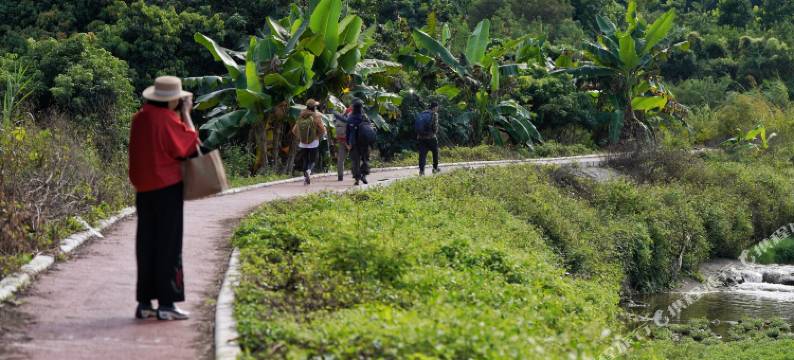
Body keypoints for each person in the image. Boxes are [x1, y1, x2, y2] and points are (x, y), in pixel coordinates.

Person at [128, 76, 198, 321]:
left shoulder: (139, 118)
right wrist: (186, 113)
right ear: (172, 100)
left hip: (143, 190)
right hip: (167, 188)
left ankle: (144, 303)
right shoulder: (167, 119)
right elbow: (190, 145)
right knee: (169, 245)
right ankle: (167, 304)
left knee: (146, 244)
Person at [292, 99, 326, 185]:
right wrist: (318, 135)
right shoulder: (316, 116)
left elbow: (294, 130)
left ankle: (305, 179)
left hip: (303, 143)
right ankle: (309, 171)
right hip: (314, 142)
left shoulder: (301, 115)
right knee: (312, 160)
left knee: (305, 160)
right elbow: (322, 130)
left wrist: (301, 137)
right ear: (314, 107)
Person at [346, 100, 375, 186]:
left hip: (354, 143)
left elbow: (347, 132)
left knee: (355, 161)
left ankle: (357, 179)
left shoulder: (350, 118)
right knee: (365, 159)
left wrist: (348, 142)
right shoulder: (365, 117)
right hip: (364, 143)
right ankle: (364, 175)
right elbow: (370, 129)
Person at [415, 101, 441, 176]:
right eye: (437, 107)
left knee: (422, 155)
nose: (437, 109)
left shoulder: (422, 113)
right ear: (435, 107)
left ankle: (421, 171)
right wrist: (435, 132)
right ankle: (435, 168)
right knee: (435, 152)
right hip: (431, 138)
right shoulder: (434, 114)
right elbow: (435, 127)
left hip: (421, 138)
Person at [332, 104, 352, 181]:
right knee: (356, 158)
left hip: (341, 141)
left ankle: (340, 176)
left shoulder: (339, 119)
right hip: (351, 142)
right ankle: (357, 176)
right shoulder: (353, 119)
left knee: (340, 159)